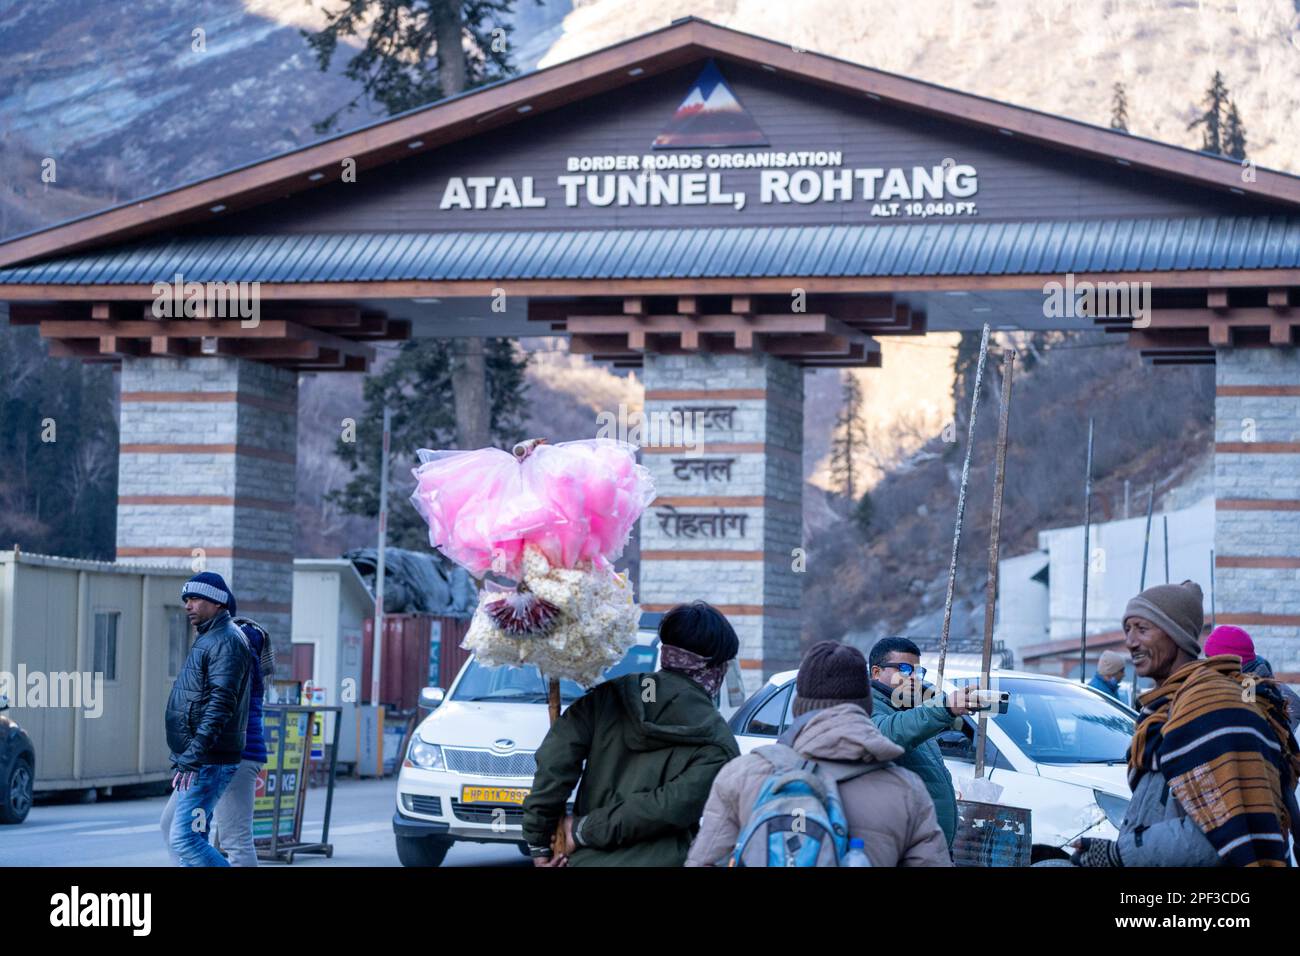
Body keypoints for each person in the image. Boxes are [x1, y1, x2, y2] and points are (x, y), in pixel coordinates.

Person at [1072, 581, 1300, 868]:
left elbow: (1219, 829)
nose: (1130, 642)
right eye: (1127, 630)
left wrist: (1122, 855)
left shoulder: (1214, 706)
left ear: (1176, 636)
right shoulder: (1165, 707)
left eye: (1142, 629)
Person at [686, 640, 951, 867]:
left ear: (799, 705)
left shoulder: (743, 774)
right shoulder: (907, 791)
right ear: (866, 704)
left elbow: (706, 859)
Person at [521, 601, 740, 866]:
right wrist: (581, 831)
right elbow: (667, 809)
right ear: (717, 668)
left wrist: (540, 841)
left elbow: (554, 763)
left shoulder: (608, 698)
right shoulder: (720, 741)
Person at [160, 572, 254, 867]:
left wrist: (194, 754)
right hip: (199, 759)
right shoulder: (212, 638)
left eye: (196, 599)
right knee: (187, 835)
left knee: (183, 840)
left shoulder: (226, 641)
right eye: (186, 599)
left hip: (207, 761)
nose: (188, 605)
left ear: (218, 603)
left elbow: (220, 703)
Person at [867, 636, 981, 849]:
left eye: (917, 672)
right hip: (903, 847)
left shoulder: (910, 710)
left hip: (928, 848)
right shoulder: (866, 706)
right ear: (876, 672)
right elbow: (888, 733)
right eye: (904, 669)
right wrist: (945, 707)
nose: (913, 679)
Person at [1204, 624, 1300, 733]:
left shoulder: (1255, 691)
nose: (1208, 667)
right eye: (1207, 659)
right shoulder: (1247, 685)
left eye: (1212, 661)